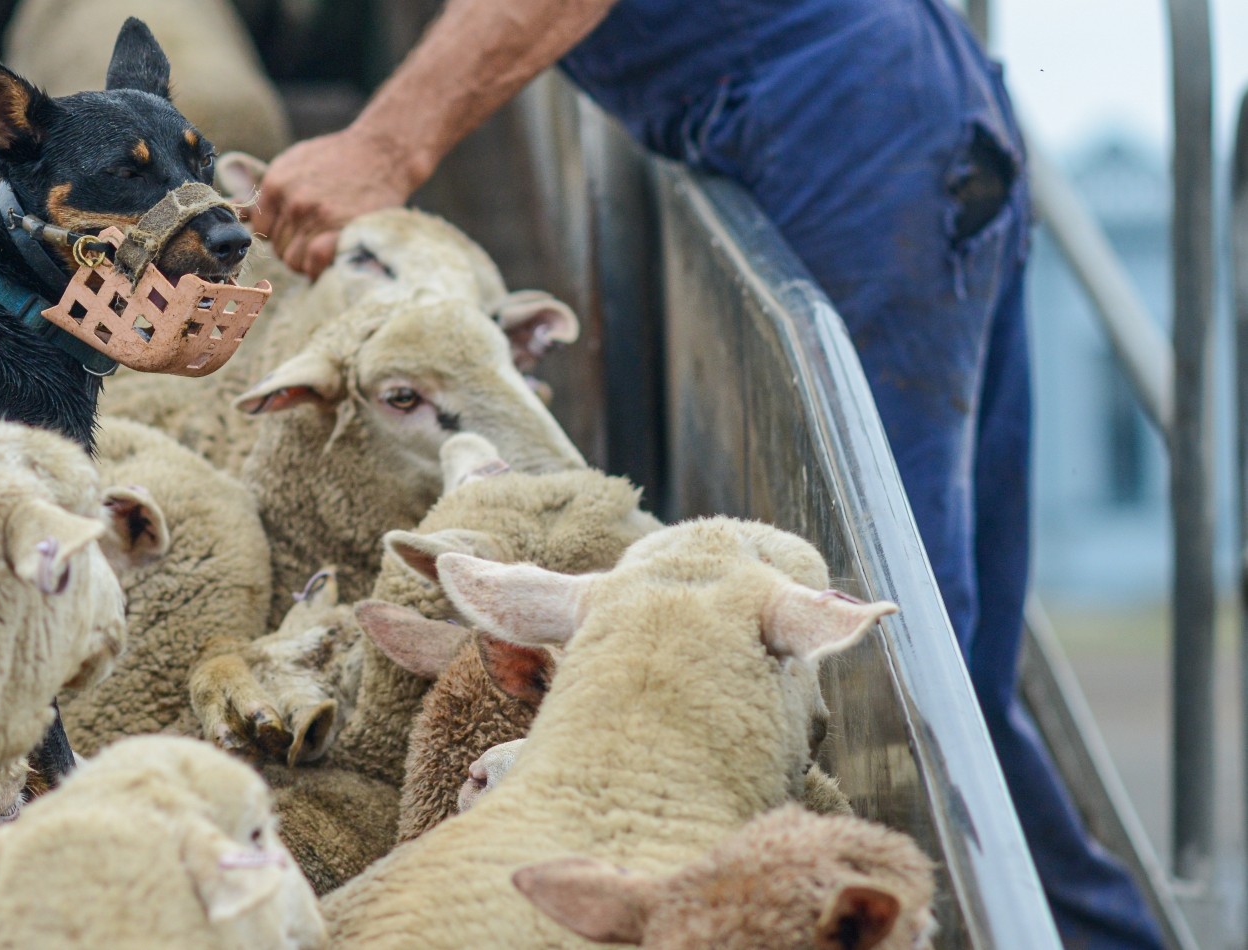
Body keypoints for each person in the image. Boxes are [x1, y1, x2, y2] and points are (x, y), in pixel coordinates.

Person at [249, 1, 1163, 946]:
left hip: (846, 133)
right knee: (952, 680)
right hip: (888, 116)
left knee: (894, 693)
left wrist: (389, 144)